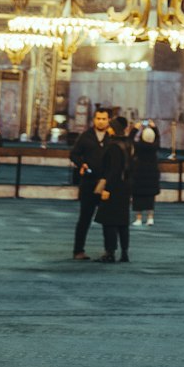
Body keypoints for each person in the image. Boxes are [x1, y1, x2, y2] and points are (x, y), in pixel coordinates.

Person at [69, 104, 111, 260]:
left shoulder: (111, 138)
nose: (101, 122)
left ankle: (109, 251)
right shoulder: (86, 136)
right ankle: (78, 250)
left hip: (106, 184)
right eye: (98, 119)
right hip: (88, 183)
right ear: (94, 119)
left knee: (108, 219)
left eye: (104, 119)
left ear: (109, 120)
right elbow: (73, 154)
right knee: (85, 218)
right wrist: (82, 164)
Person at [94, 115, 134, 263]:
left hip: (114, 187)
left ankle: (110, 252)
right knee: (122, 222)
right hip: (125, 187)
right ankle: (124, 253)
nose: (107, 128)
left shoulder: (114, 146)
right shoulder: (128, 144)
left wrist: (107, 189)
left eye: (110, 126)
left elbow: (113, 170)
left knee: (109, 222)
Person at [131, 122, 161, 227]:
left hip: (139, 174)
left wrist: (135, 128)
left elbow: (130, 139)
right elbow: (158, 138)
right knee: (150, 198)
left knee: (138, 197)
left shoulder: (139, 146)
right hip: (152, 175)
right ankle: (150, 218)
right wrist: (154, 127)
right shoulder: (155, 146)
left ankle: (138, 219)